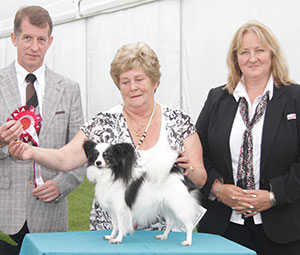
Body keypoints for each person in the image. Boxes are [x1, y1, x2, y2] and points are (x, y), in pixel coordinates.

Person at [9, 41, 207, 232]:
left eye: (139, 79)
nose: (133, 87)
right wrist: (31, 151)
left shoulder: (179, 121)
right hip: (113, 233)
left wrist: (188, 168)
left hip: (167, 236)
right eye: (125, 82)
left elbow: (200, 178)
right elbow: (65, 158)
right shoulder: (103, 123)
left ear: (155, 82)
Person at [196, 20, 300, 255]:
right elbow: (198, 152)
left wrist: (274, 196)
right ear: (236, 59)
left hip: (283, 228)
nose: (252, 58)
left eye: (259, 50)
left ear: (272, 54)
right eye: (244, 52)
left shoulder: (295, 98)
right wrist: (217, 189)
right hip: (224, 228)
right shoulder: (217, 98)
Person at [0, 6, 85, 255]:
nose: (34, 47)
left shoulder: (69, 89)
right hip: (5, 214)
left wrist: (62, 184)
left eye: (41, 39)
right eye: (27, 38)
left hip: (50, 215)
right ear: (14, 38)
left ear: (50, 41)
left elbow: (82, 151)